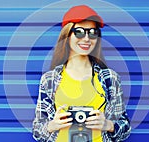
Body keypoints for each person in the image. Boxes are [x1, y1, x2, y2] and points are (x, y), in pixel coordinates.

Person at [32, 5, 131, 142]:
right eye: (79, 32)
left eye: (92, 32)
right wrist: (51, 126)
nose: (86, 38)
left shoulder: (110, 79)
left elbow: (125, 129)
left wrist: (108, 125)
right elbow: (37, 130)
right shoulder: (50, 80)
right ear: (67, 35)